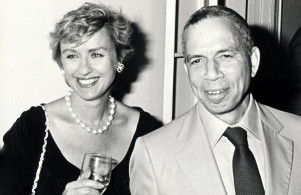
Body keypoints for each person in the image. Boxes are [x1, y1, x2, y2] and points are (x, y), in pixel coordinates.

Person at [129, 6, 301, 195]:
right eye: (197, 60)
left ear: (253, 61)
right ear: (187, 69)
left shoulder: (297, 134)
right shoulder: (153, 154)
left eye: (225, 56)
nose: (211, 74)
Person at [0, 2, 161, 195]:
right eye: (72, 56)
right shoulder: (32, 129)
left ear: (119, 58)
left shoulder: (148, 132)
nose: (84, 69)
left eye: (96, 54)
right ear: (62, 63)